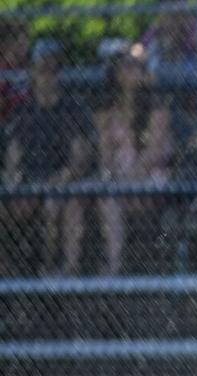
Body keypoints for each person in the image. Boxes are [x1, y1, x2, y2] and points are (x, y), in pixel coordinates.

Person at [3, 38, 94, 276]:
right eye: (42, 69)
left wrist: (53, 183)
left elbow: (78, 161)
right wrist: (15, 185)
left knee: (53, 204)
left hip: (61, 185)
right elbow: (13, 158)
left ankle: (50, 271)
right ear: (32, 73)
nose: (47, 76)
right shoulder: (22, 112)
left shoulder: (73, 109)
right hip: (28, 185)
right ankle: (7, 271)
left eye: (54, 69)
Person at [95, 42, 174, 275]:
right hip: (119, 178)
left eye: (136, 66)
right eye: (125, 66)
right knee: (107, 196)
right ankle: (115, 266)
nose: (131, 71)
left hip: (150, 176)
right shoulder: (108, 111)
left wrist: (132, 181)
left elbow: (154, 152)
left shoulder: (157, 108)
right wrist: (112, 177)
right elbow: (105, 154)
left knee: (143, 186)